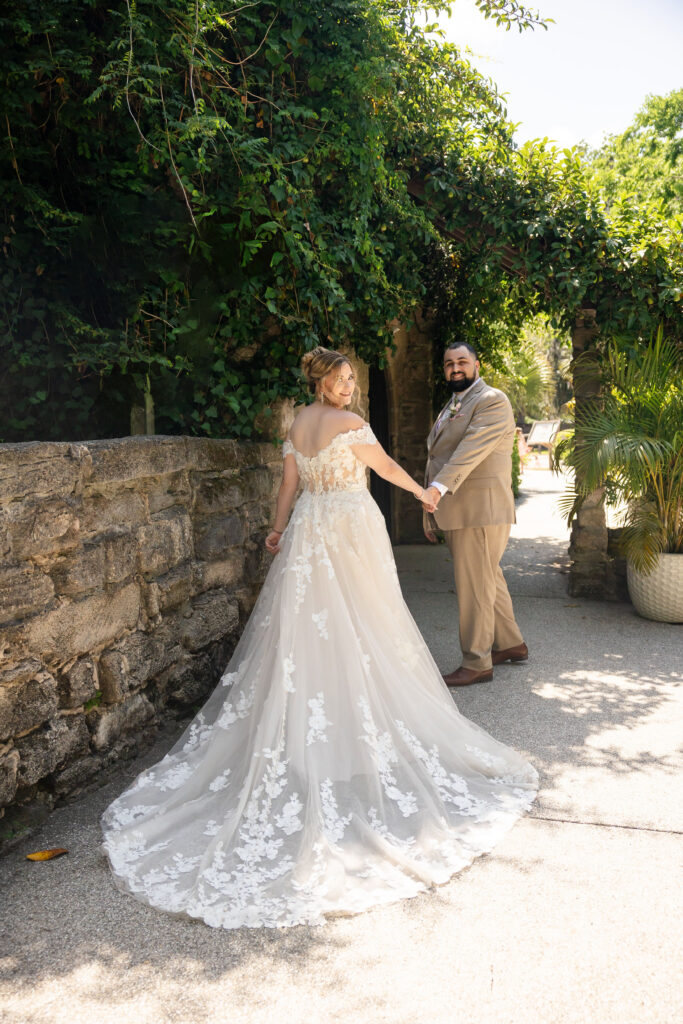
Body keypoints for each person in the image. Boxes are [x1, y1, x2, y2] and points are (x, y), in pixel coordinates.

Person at [101, 346, 537, 930]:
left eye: (352, 377)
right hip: (351, 529)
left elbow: (288, 485)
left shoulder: (296, 423)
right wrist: (424, 493)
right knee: (367, 623)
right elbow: (385, 468)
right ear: (322, 382)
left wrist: (277, 529)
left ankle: (319, 732)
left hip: (309, 529)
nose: (350, 386)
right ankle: (352, 734)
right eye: (341, 379)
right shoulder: (351, 425)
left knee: (304, 630)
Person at [422, 343, 529, 687]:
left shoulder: (491, 400)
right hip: (461, 509)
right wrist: (432, 513)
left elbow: (468, 451)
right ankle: (510, 644)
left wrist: (436, 490)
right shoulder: (454, 403)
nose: (455, 368)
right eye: (449, 363)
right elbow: (436, 456)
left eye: (462, 361)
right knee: (487, 578)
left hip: (479, 510)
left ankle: (476, 662)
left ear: (477, 365)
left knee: (475, 587)